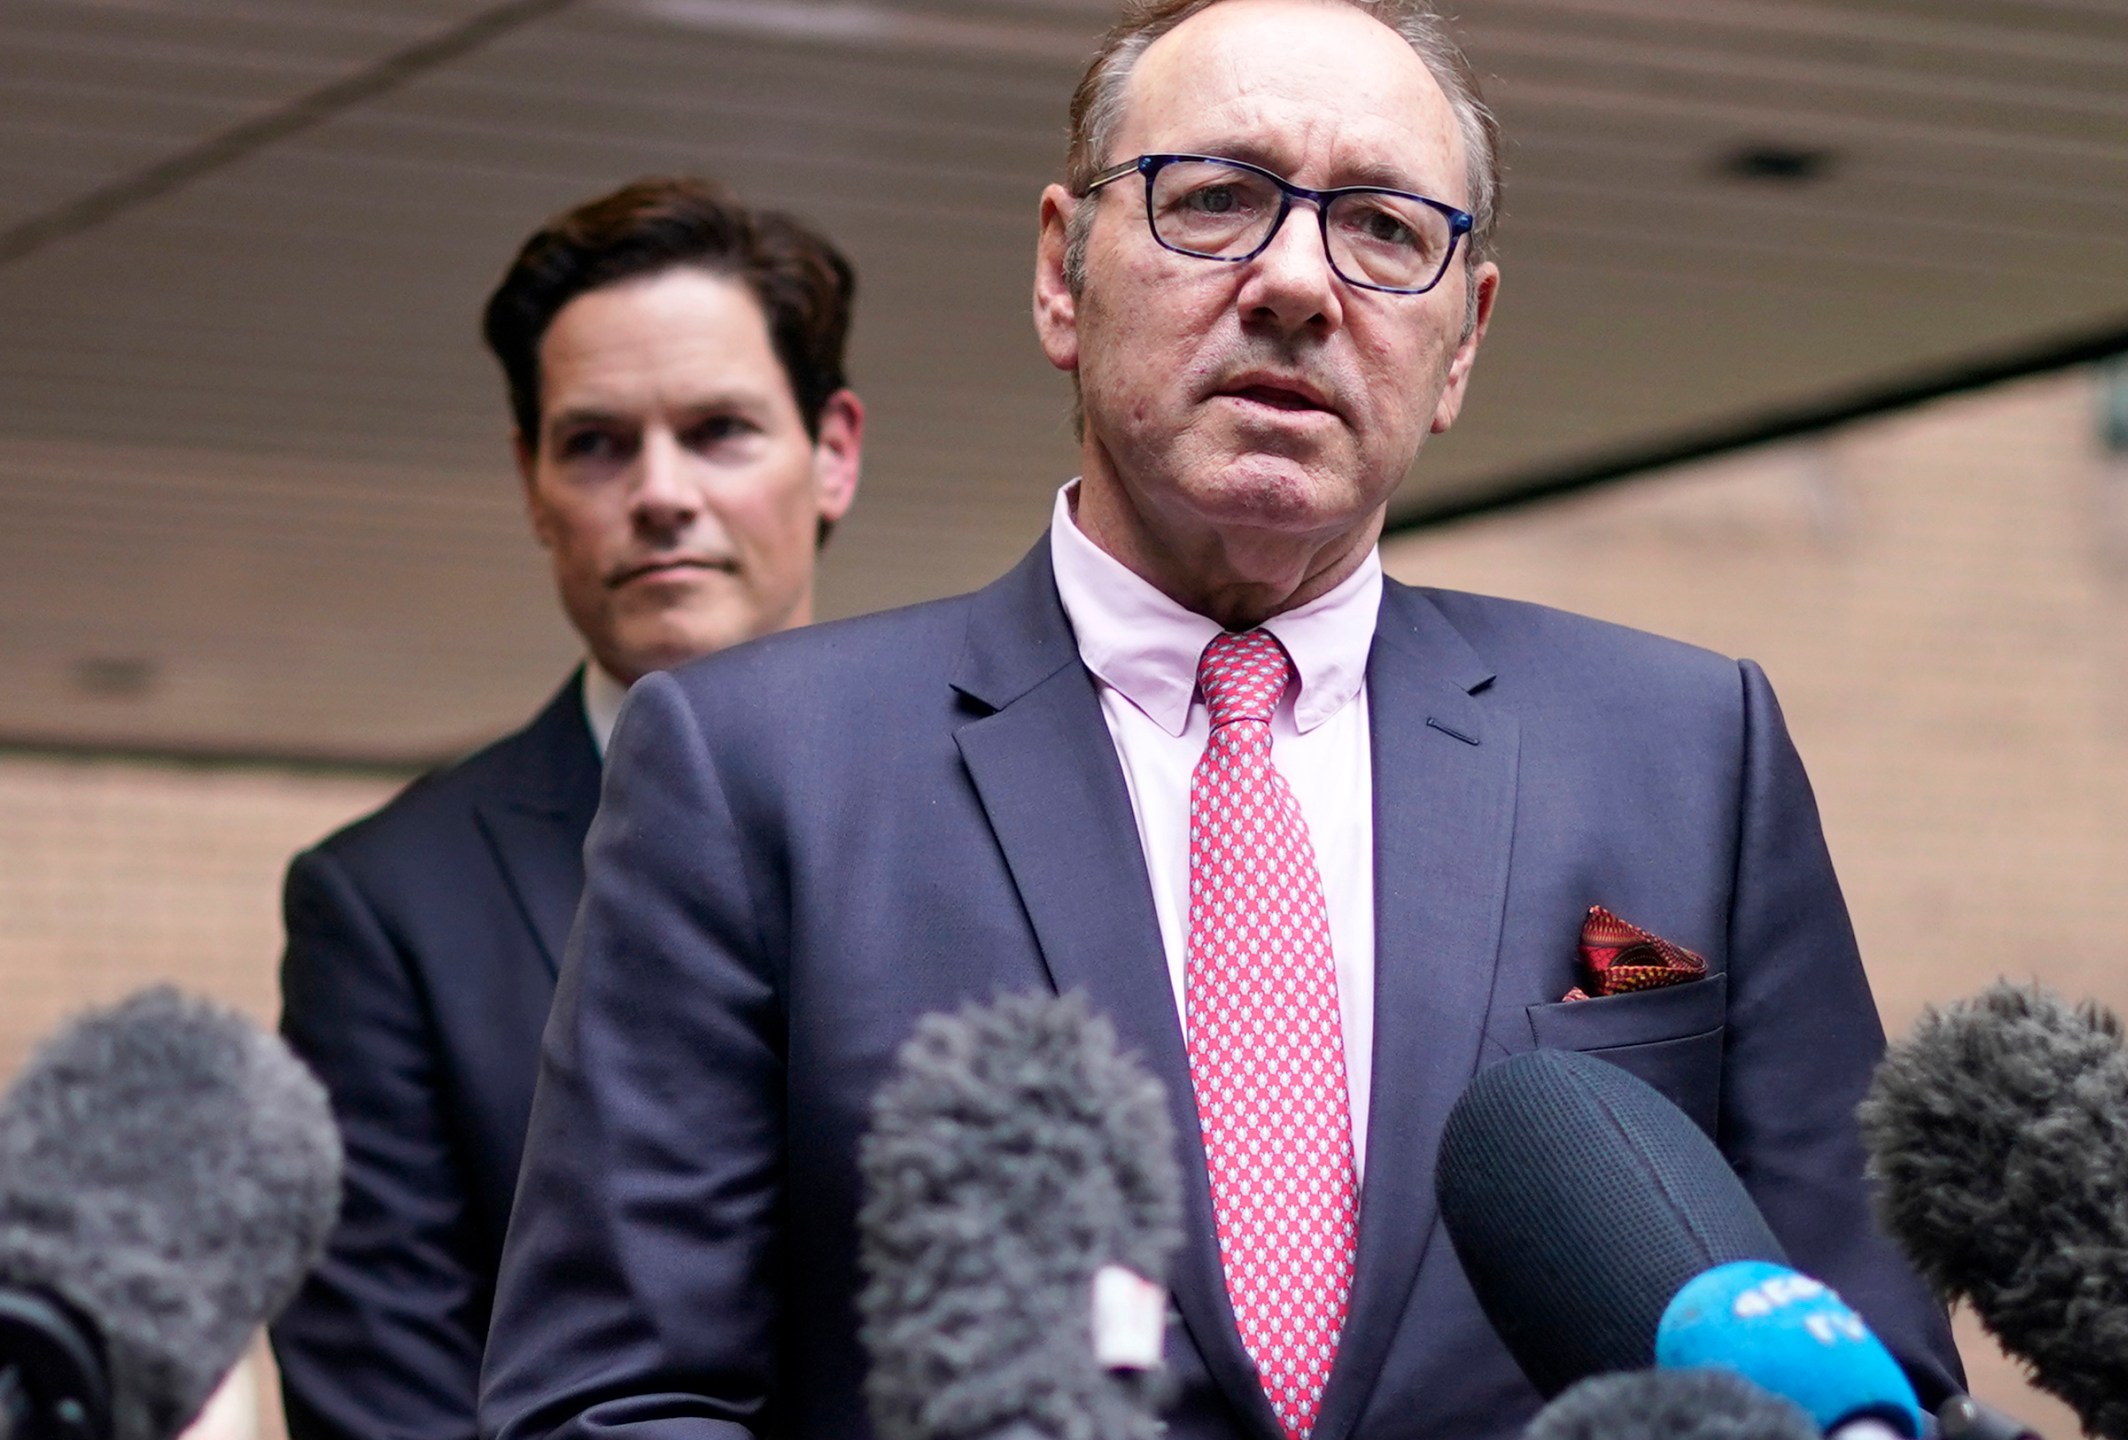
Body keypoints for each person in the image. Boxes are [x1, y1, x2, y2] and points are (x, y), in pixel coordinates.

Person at [481, 3, 1963, 1437]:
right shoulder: (754, 768)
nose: (1299, 284)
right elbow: (612, 1402)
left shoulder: (1688, 751)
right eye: (1215, 200)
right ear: (1061, 275)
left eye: (1384, 228)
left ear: (1462, 342)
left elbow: (1872, 1370)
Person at [271, 176, 863, 1440]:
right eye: (596, 443)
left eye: (718, 430)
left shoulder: (994, 804)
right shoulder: (388, 907)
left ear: (835, 453)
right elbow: (388, 1403)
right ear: (533, 486)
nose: (659, 492)